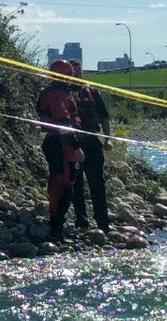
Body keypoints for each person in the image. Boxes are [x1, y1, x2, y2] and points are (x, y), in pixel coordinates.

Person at [35, 58, 84, 242]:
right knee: (62, 185)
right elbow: (63, 124)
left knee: (64, 183)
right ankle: (56, 228)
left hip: (59, 143)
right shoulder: (57, 94)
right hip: (59, 144)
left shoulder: (60, 92)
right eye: (70, 75)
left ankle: (57, 225)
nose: (72, 79)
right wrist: (76, 147)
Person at [68, 59, 113, 232]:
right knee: (76, 184)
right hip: (73, 143)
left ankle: (103, 223)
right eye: (73, 71)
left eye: (78, 71)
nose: (76, 74)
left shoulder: (92, 92)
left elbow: (104, 117)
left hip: (93, 142)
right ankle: (82, 222)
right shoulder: (64, 93)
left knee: (98, 184)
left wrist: (107, 139)